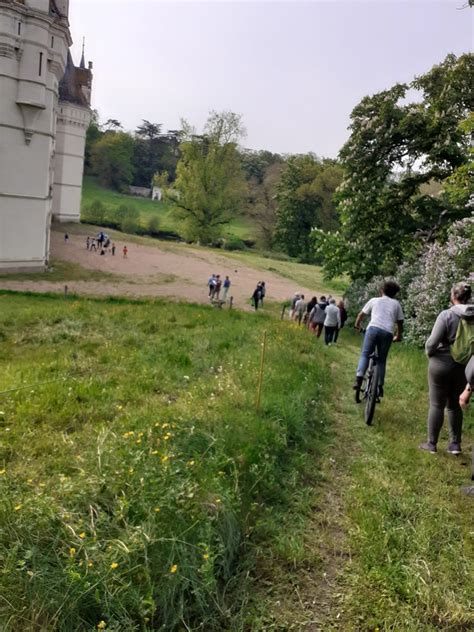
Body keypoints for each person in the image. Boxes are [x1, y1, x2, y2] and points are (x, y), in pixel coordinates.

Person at [420, 282, 474, 454]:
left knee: (437, 404)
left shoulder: (446, 315)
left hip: (440, 365)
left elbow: (432, 343)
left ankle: (431, 444)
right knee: (454, 405)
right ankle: (455, 445)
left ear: (453, 296)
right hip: (463, 367)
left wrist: (430, 353)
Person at [353, 280, 404, 397]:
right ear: (394, 294)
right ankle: (379, 386)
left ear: (382, 290)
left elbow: (361, 315)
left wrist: (357, 325)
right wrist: (398, 335)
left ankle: (359, 378)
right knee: (381, 360)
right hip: (388, 333)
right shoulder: (396, 304)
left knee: (365, 354)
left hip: (373, 329)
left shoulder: (374, 300)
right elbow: (400, 322)